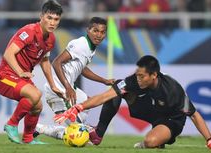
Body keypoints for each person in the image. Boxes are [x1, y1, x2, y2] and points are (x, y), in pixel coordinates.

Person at [54, 55, 211, 149]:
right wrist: (78, 108)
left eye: (142, 76)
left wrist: (209, 140)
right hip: (150, 110)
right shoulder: (133, 81)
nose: (138, 78)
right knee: (116, 90)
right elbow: (103, 97)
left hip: (171, 120)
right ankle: (98, 134)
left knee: (151, 141)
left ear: (154, 75)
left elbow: (195, 115)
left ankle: (156, 142)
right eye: (137, 74)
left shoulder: (173, 90)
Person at [0, 0, 63, 144]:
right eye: (49, 18)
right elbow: (8, 54)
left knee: (37, 106)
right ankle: (11, 124)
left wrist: (53, 85)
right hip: (4, 77)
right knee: (35, 95)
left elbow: (45, 61)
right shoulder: (29, 31)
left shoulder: (51, 39)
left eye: (56, 19)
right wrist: (19, 72)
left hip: (20, 78)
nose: (52, 22)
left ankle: (28, 139)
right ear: (41, 16)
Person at [34, 17, 115, 140]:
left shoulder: (91, 48)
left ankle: (77, 126)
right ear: (88, 30)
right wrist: (67, 87)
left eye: (102, 32)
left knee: (87, 103)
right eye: (95, 30)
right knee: (80, 136)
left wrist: (104, 80)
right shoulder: (80, 44)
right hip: (58, 90)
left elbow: (83, 69)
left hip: (69, 88)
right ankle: (40, 128)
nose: (99, 35)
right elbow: (56, 63)